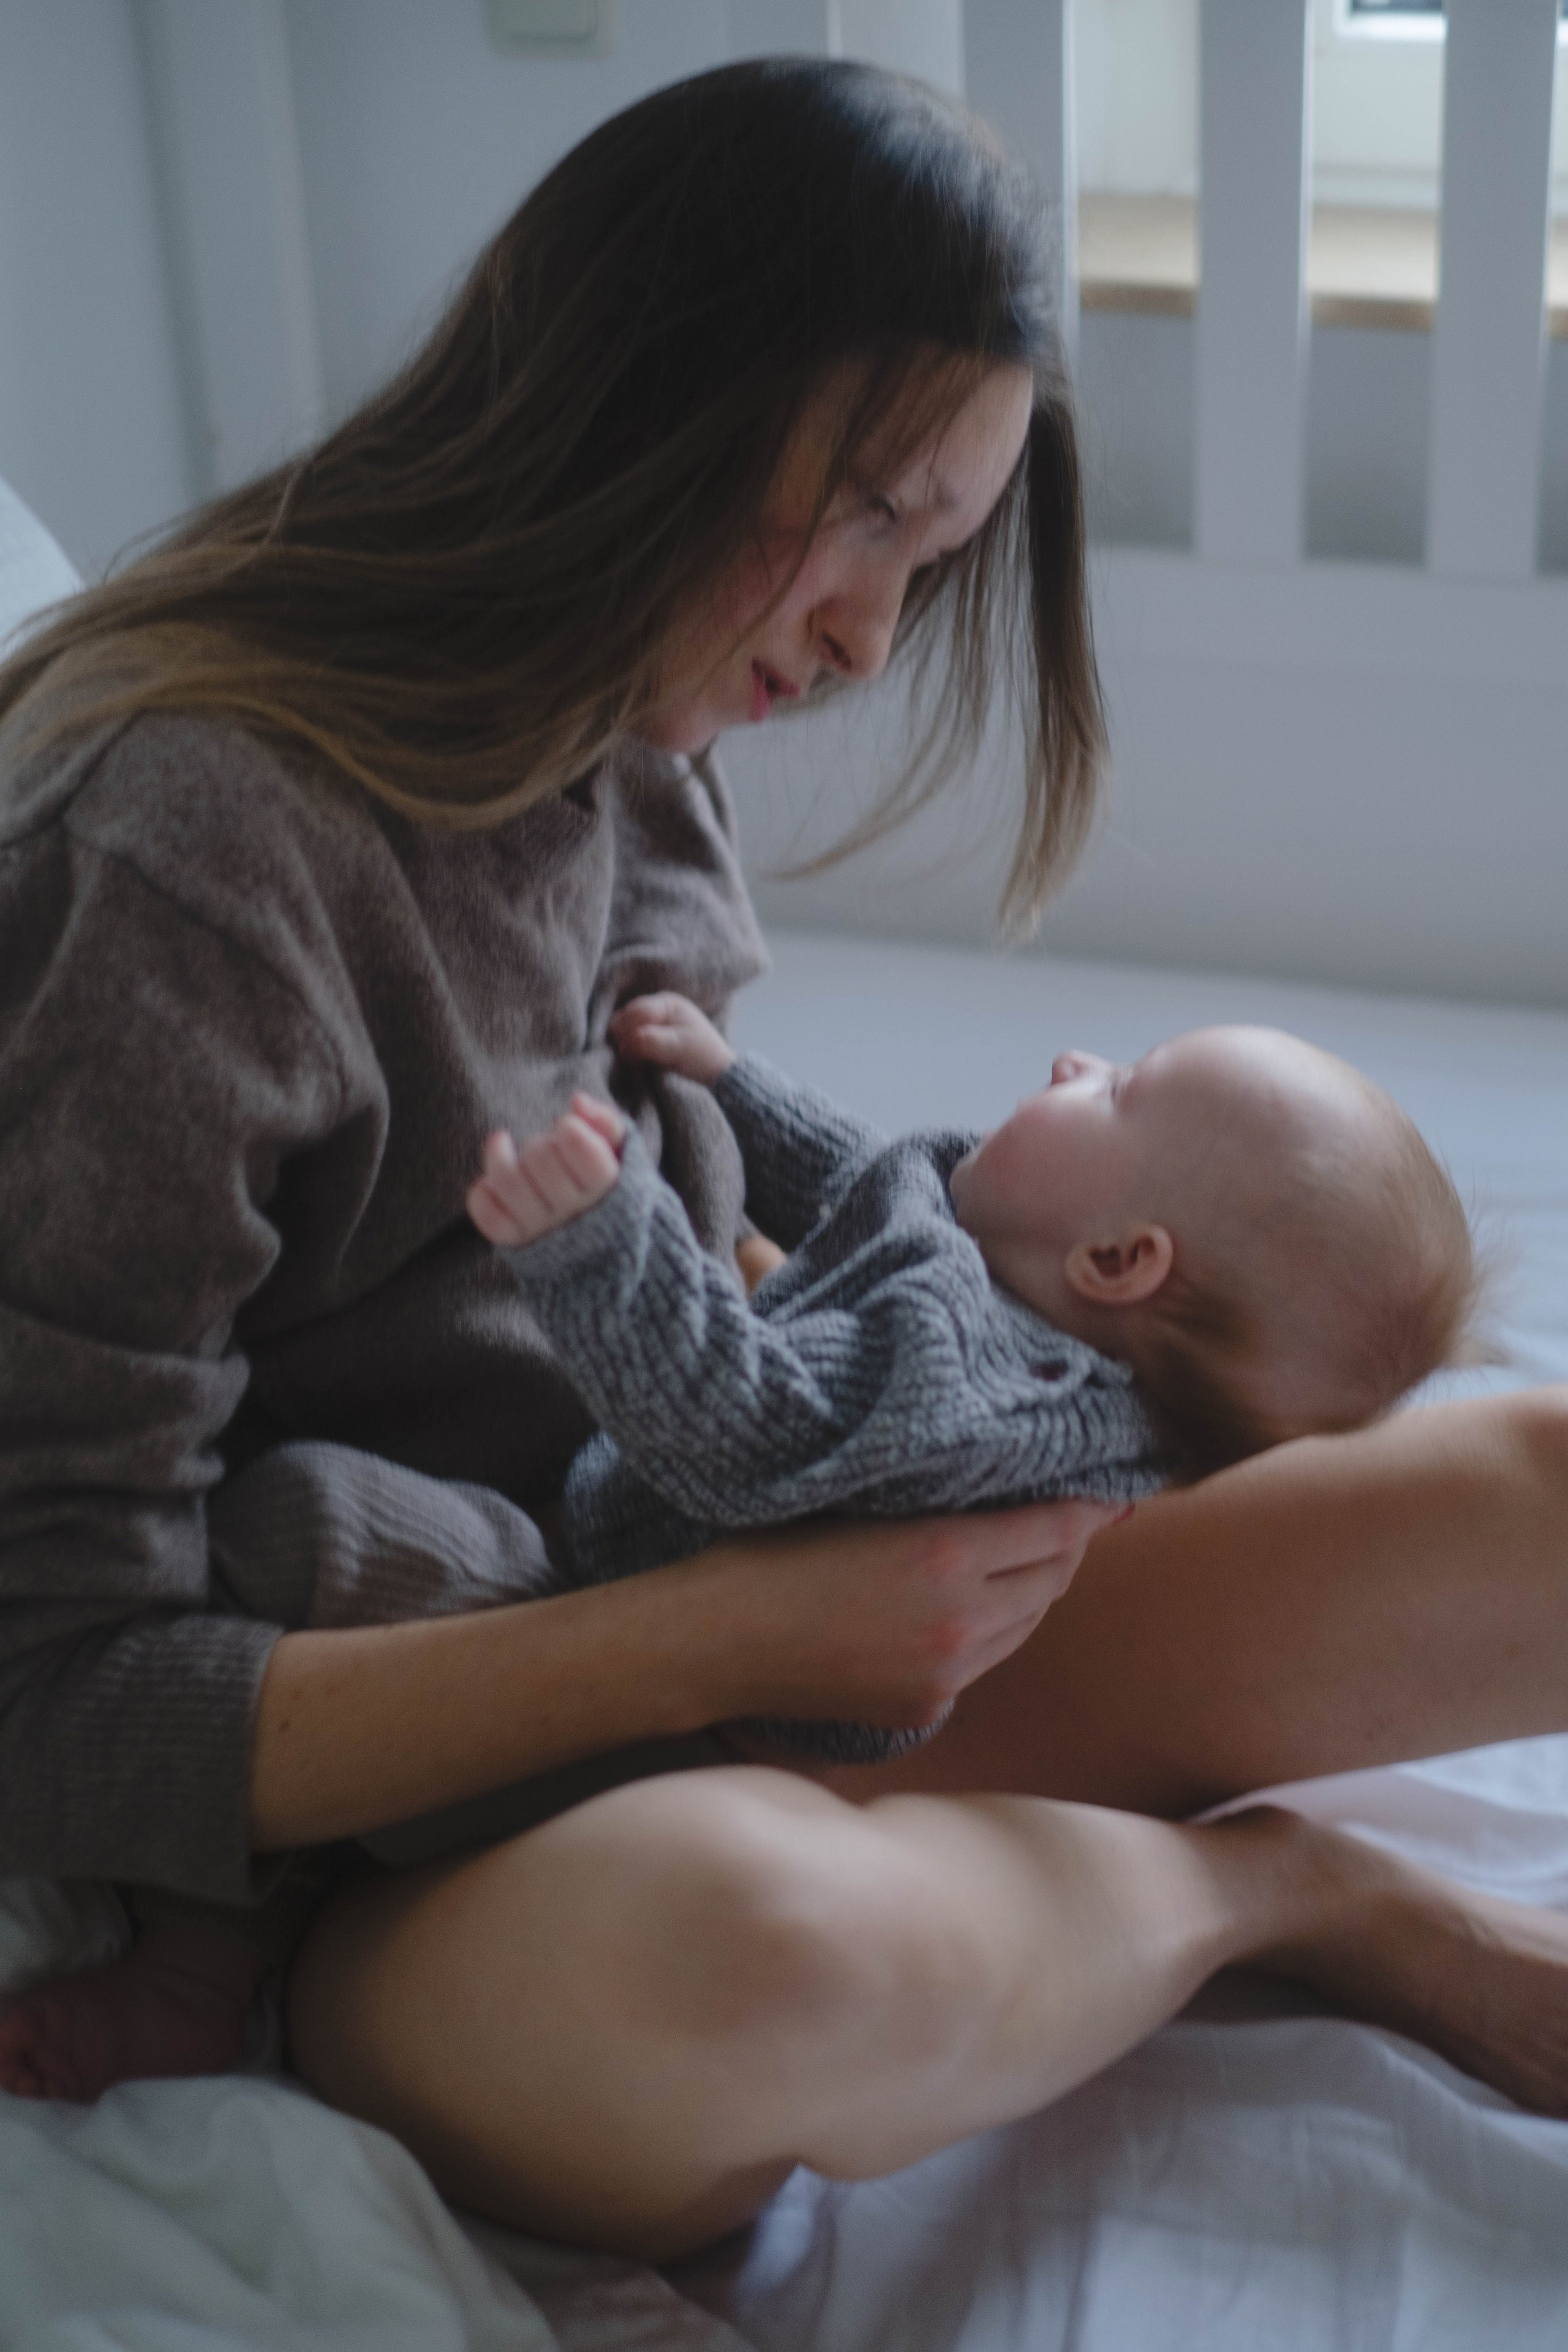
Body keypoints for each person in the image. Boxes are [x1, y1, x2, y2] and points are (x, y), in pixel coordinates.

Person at [0, 56, 1566, 2263]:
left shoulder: (617, 732)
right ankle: (1285, 1887)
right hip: (427, 1829)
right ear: (639, 400)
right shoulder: (188, 866)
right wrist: (720, 1629)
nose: (862, 645)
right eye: (873, 527)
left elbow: (724, 1187)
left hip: (743, 1601)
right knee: (787, 1955)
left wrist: (913, 1441)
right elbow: (50, 1697)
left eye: (931, 566)